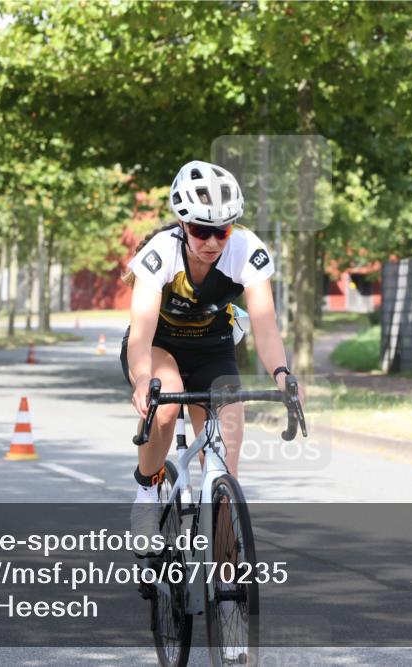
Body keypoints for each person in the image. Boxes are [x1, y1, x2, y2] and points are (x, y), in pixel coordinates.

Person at [121, 160, 301, 553]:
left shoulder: (246, 250)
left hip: (213, 348)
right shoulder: (160, 254)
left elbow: (266, 326)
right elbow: (141, 332)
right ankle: (147, 496)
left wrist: (283, 375)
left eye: (221, 230)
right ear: (183, 224)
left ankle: (225, 577)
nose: (213, 242)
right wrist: (140, 380)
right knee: (166, 406)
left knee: (224, 470)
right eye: (202, 231)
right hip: (160, 345)